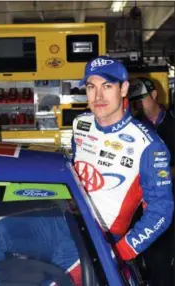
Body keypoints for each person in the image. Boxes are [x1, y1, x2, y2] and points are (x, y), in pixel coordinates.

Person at [71, 56, 174, 268]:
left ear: (124, 88)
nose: (98, 95)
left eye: (107, 86)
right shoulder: (80, 124)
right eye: (91, 87)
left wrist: (119, 252)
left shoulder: (148, 144)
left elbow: (161, 210)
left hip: (102, 239)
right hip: (68, 224)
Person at [128, 77, 175, 286]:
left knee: (164, 261)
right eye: (134, 101)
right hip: (142, 206)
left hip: (170, 203)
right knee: (147, 260)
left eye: (142, 99)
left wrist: (162, 171)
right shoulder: (133, 127)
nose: (138, 105)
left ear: (154, 95)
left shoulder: (173, 120)